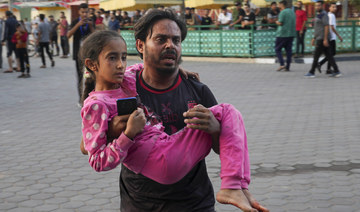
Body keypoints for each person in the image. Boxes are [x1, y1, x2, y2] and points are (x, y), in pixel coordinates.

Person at [80, 30, 268, 212]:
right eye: (112, 58)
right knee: (228, 111)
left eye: (123, 57)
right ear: (92, 64)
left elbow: (140, 67)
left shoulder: (127, 81)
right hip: (158, 165)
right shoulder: (96, 104)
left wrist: (176, 69)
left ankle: (239, 186)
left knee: (229, 116)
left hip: (183, 182)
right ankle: (232, 185)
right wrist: (127, 134)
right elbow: (95, 159)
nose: (120, 65)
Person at [67, 3, 94, 107]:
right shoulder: (75, 22)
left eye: (86, 12)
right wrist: (78, 25)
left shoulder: (90, 22)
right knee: (80, 77)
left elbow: (96, 36)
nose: (84, 14)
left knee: (90, 77)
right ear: (79, 12)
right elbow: (68, 35)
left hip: (89, 54)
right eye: (82, 12)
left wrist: (91, 27)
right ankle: (81, 99)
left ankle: (89, 98)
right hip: (78, 54)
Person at [304, 1, 341, 78]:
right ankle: (336, 71)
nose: (317, 7)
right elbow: (318, 28)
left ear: (322, 6)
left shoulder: (324, 14)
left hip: (322, 39)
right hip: (320, 37)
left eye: (319, 6)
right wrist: (314, 38)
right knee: (329, 55)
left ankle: (312, 71)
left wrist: (325, 39)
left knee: (316, 56)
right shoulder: (319, 15)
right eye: (316, 6)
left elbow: (326, 26)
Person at [318, 2, 343, 75]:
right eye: (333, 7)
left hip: (329, 37)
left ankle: (328, 69)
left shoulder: (328, 15)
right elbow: (332, 27)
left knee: (331, 54)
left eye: (335, 7)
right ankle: (321, 64)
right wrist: (338, 36)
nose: (334, 8)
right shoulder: (331, 15)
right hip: (332, 37)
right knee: (332, 54)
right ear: (329, 8)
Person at [274, 0, 296, 72]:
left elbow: (280, 23)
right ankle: (288, 66)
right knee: (288, 51)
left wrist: (276, 22)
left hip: (282, 34)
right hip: (291, 34)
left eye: (279, 4)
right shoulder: (291, 11)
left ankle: (282, 64)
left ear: (282, 4)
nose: (278, 5)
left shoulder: (282, 12)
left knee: (277, 49)